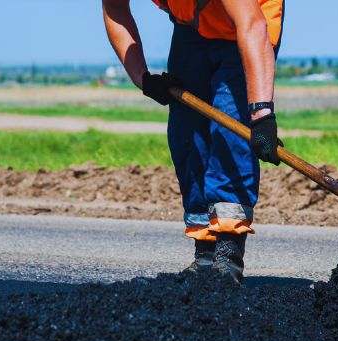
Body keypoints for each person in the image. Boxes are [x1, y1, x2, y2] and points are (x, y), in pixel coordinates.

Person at [102, 0, 284, 282]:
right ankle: (205, 253)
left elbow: (252, 24)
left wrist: (261, 116)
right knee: (186, 135)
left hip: (249, 21)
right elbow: (115, 9)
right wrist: (143, 79)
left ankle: (228, 253)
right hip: (193, 26)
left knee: (230, 133)